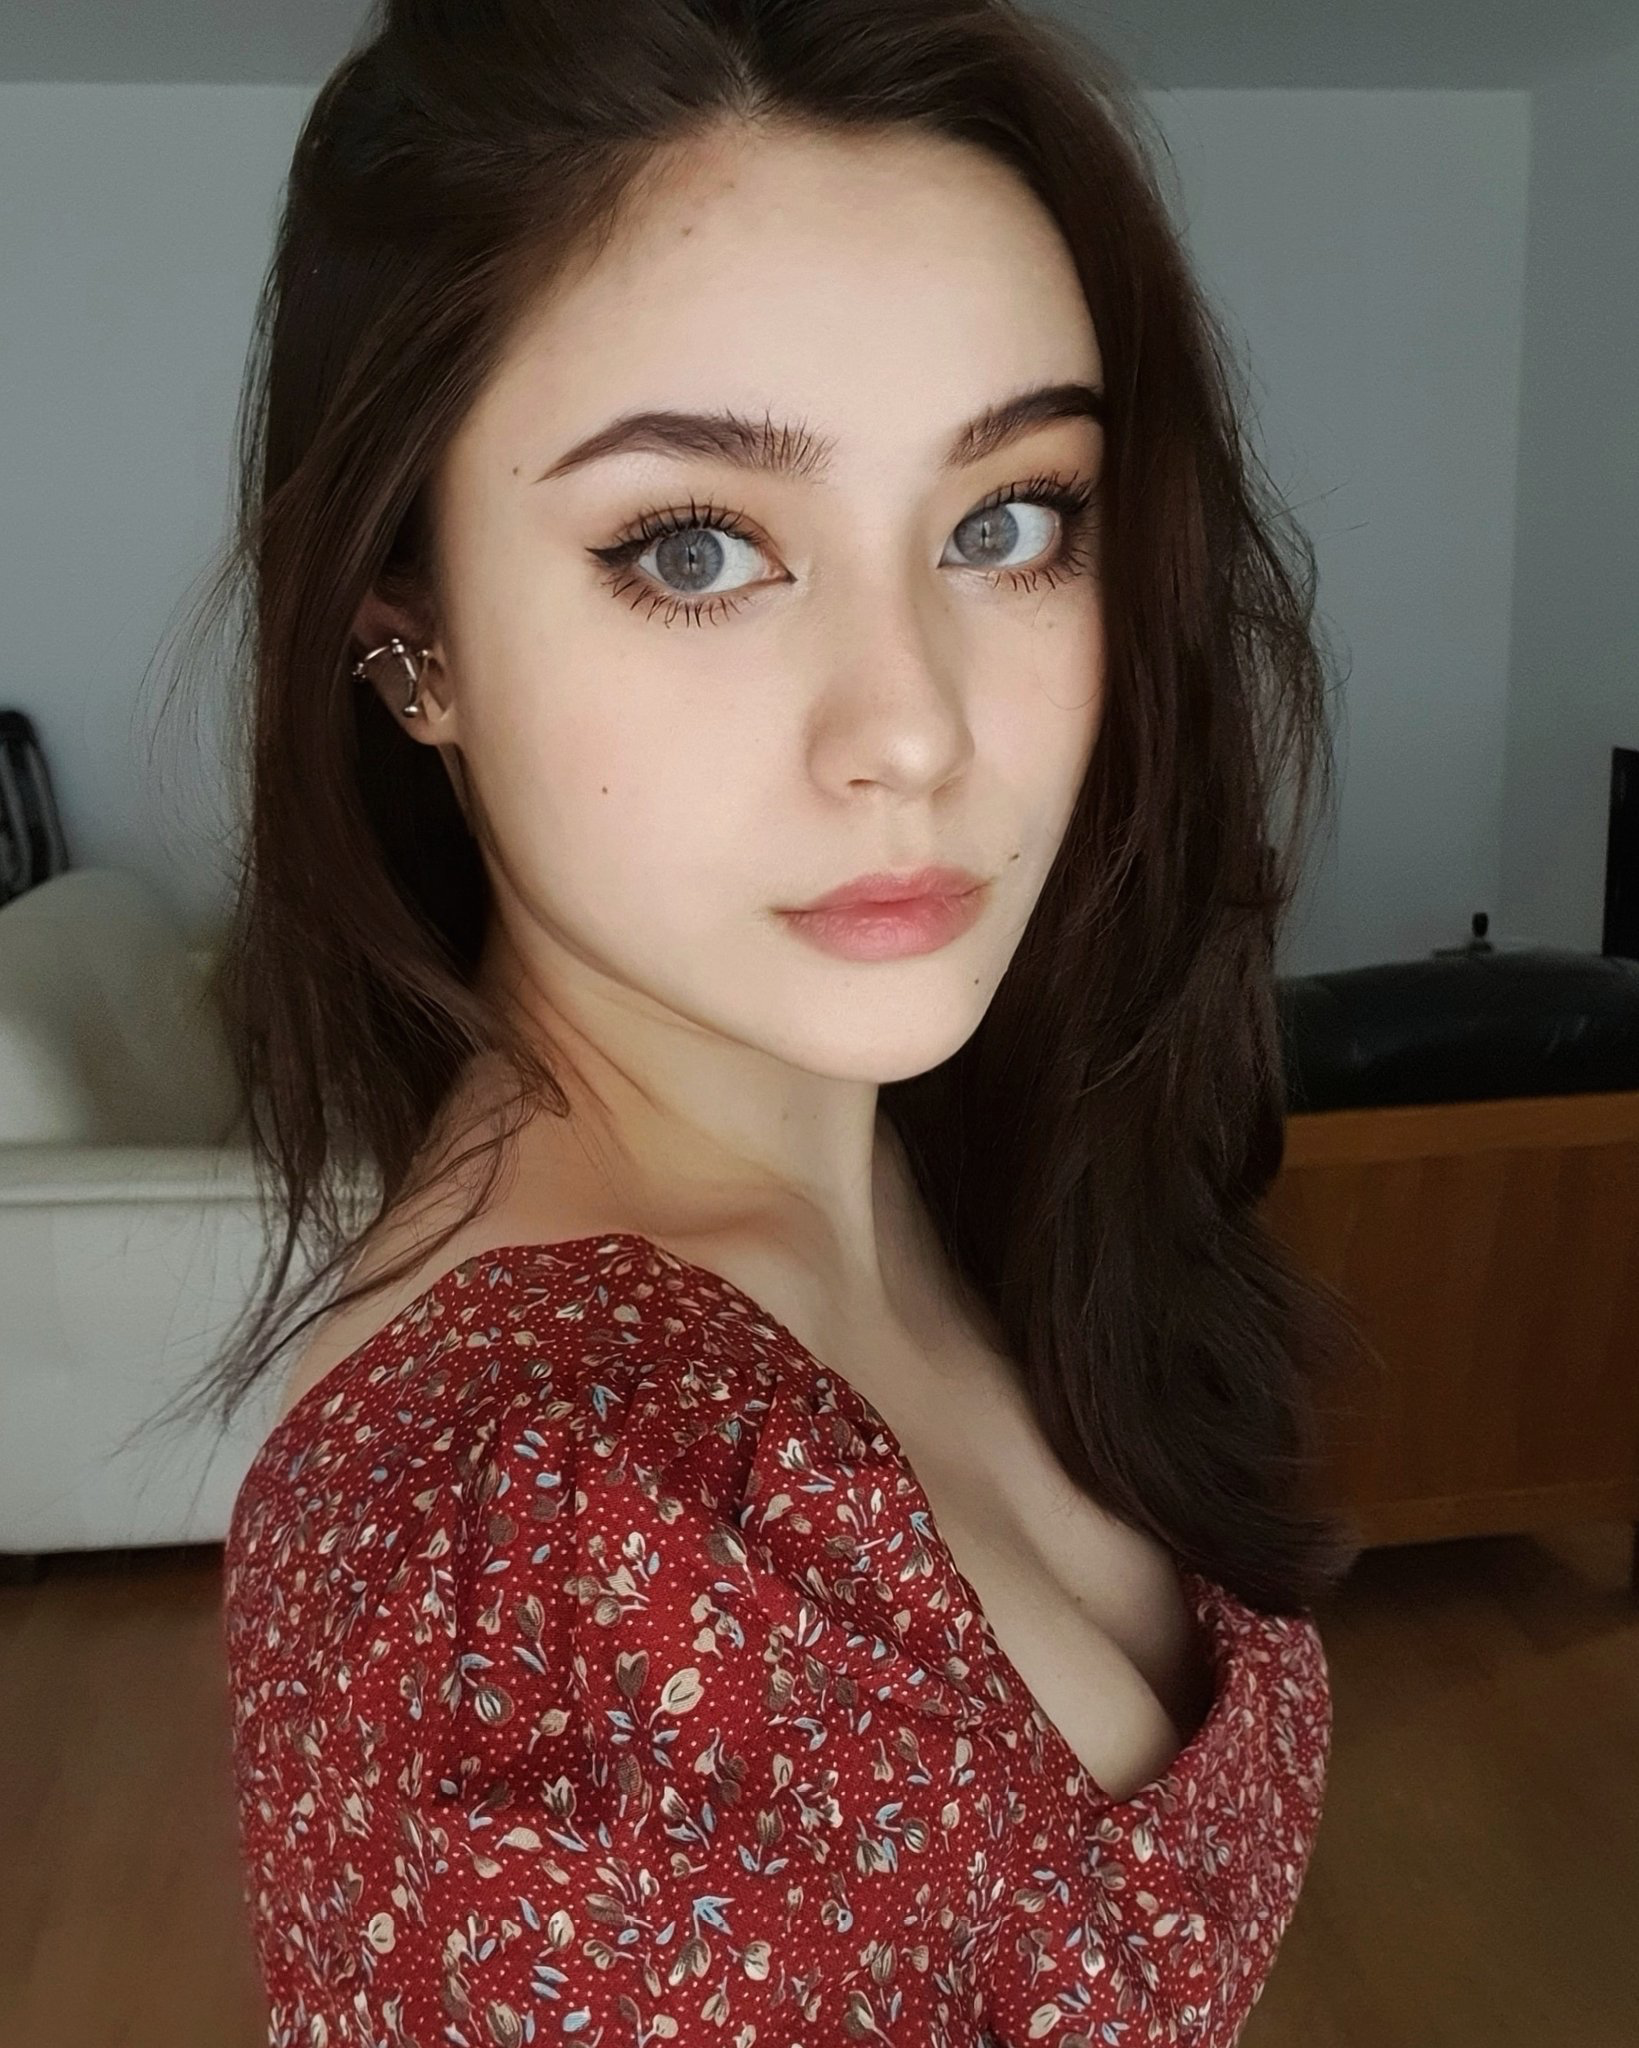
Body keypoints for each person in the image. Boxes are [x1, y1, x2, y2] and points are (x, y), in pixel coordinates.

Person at [195, 1, 1368, 2040]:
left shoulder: (937, 1145)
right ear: (413, 631)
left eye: (1008, 519)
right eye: (697, 547)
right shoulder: (533, 1564)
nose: (912, 728)